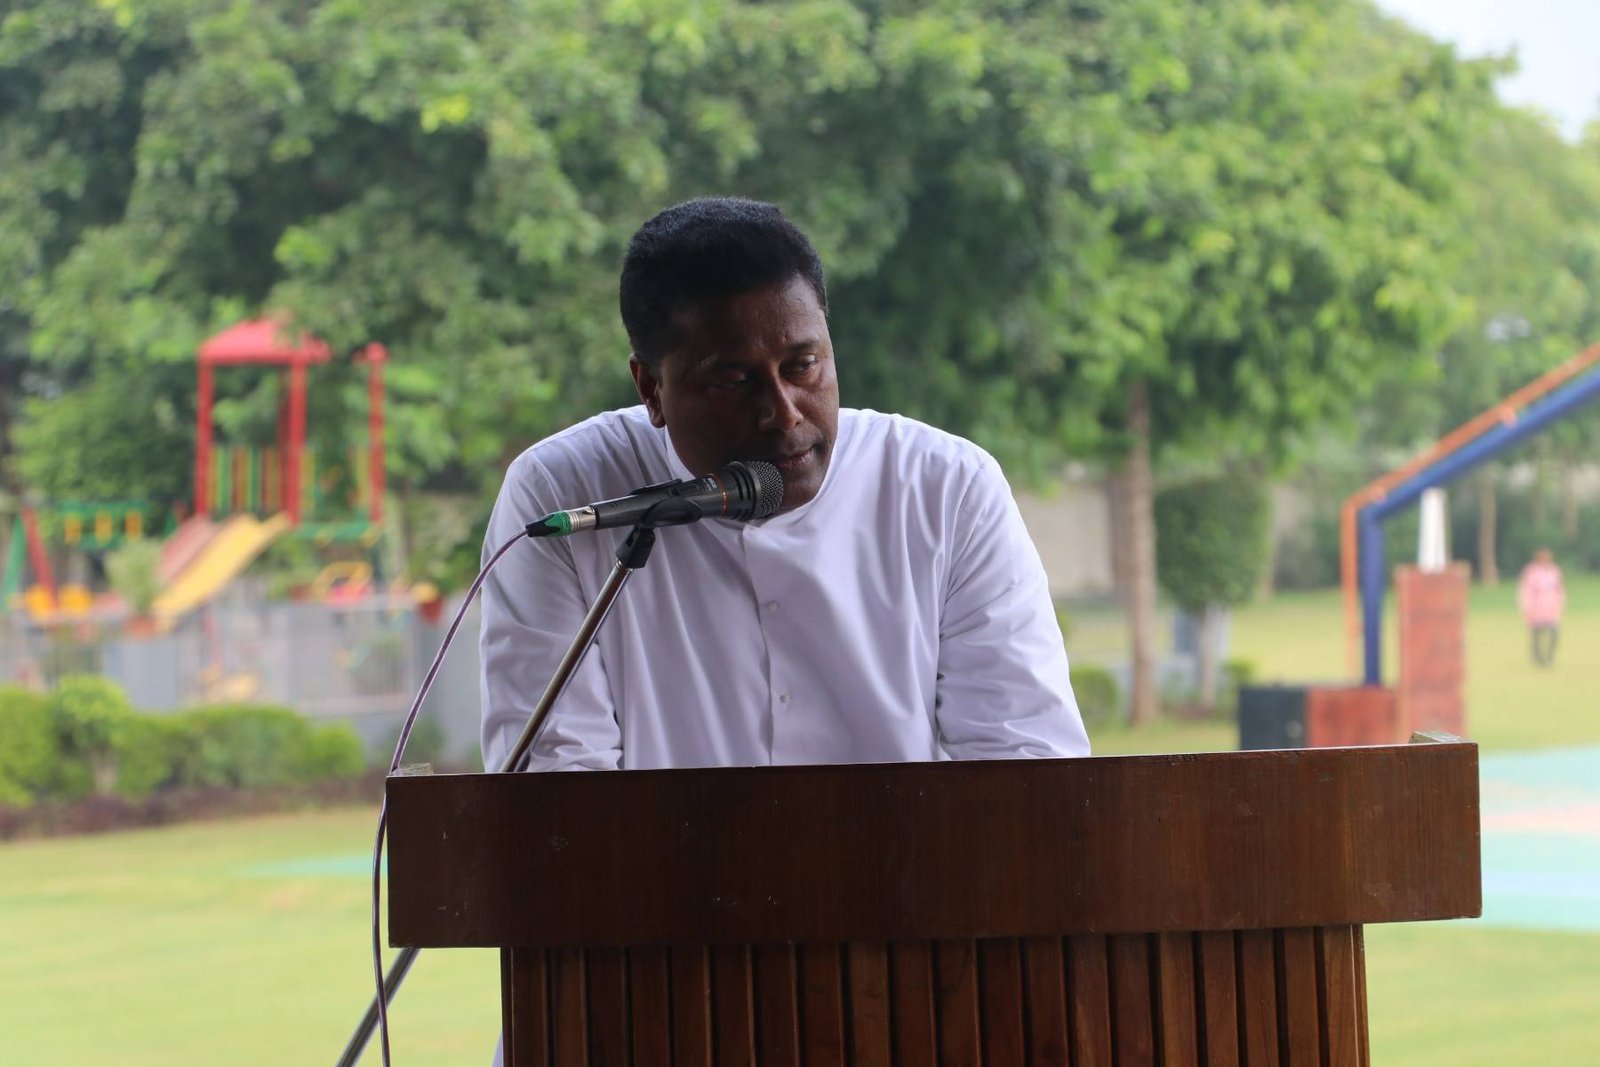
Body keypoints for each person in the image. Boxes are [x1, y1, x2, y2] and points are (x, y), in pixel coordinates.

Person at [479, 196, 1089, 776]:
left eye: (803, 366)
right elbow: (557, 785)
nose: (784, 413)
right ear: (650, 389)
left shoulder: (946, 488)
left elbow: (1027, 765)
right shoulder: (563, 495)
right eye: (733, 382)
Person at [1517, 547, 1565, 667]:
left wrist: (1561, 603)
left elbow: (1559, 589)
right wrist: (1526, 607)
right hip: (1536, 607)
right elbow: (1526, 590)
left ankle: (1550, 657)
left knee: (1554, 633)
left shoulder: (1554, 571)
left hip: (1551, 606)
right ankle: (1537, 658)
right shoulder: (1531, 571)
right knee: (1536, 635)